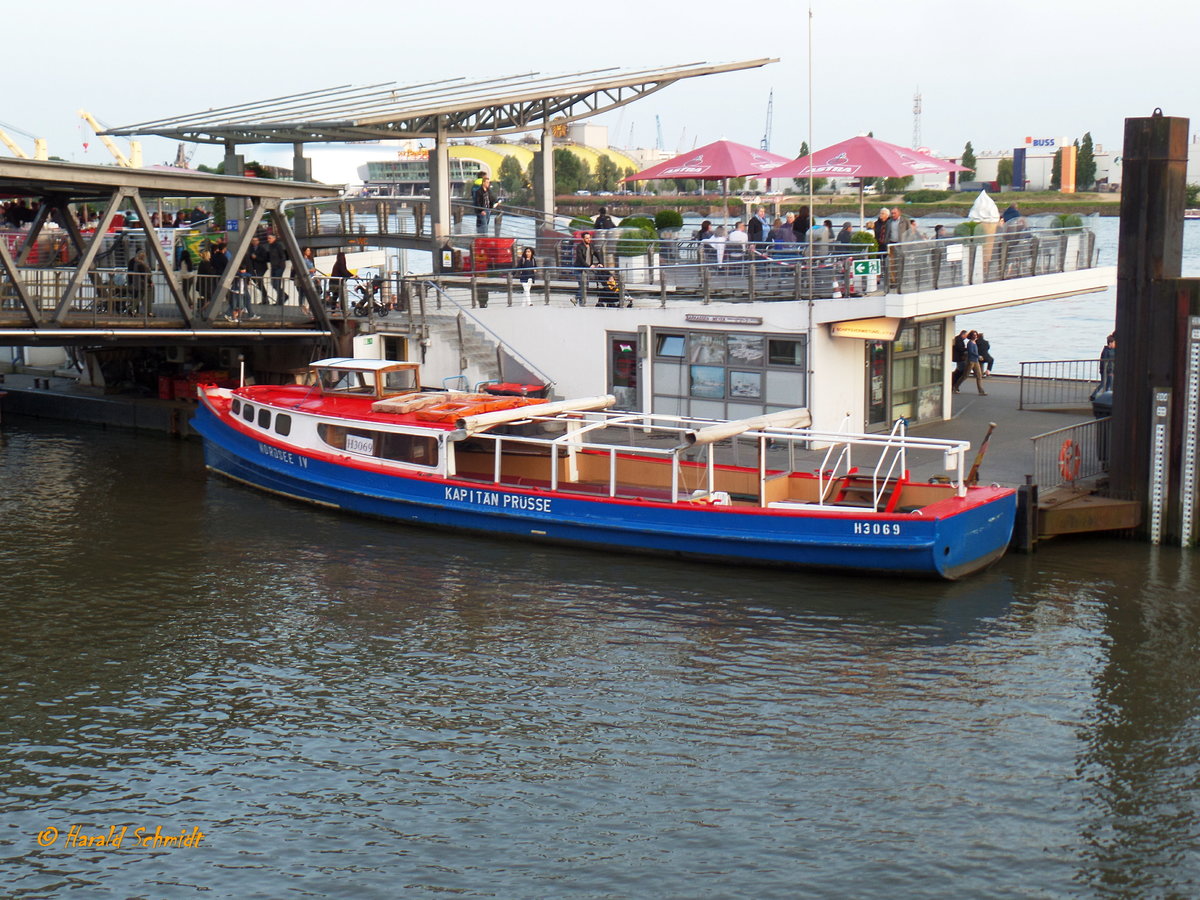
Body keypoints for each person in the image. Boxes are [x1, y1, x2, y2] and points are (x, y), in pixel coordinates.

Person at [573, 231, 601, 305]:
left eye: (589, 238)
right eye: (587, 238)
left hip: (586, 269)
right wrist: (589, 266)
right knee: (583, 285)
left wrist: (600, 262)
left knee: (585, 286)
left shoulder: (591, 246)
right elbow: (581, 259)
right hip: (579, 269)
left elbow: (597, 253)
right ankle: (578, 300)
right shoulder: (579, 247)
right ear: (583, 239)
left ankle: (578, 301)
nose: (589, 239)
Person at [1090, 333, 1117, 400]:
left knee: (1109, 384)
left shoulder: (1113, 350)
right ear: (1110, 343)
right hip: (1106, 370)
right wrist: (1107, 370)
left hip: (1110, 369)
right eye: (1114, 343)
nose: (1115, 344)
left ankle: (1105, 396)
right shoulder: (1106, 351)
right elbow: (1104, 362)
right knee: (1104, 383)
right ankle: (1094, 395)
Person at [267, 232, 288, 304]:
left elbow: (282, 256)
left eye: (270, 238)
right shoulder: (270, 246)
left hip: (279, 267)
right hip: (274, 267)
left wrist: (280, 265)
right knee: (274, 284)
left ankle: (281, 299)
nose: (268, 240)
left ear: (274, 238)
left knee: (276, 283)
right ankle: (282, 296)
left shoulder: (278, 246)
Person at [247, 235, 270, 302]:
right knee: (257, 282)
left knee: (259, 281)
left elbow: (264, 258)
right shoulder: (250, 248)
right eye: (253, 241)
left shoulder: (261, 248)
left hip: (261, 267)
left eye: (255, 241)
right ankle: (264, 297)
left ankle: (265, 297)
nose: (254, 242)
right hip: (253, 268)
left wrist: (256, 257)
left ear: (258, 241)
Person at [965, 330, 987, 395]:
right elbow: (971, 352)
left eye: (976, 335)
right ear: (971, 336)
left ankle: (981, 391)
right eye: (974, 335)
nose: (975, 336)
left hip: (976, 361)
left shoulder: (975, 342)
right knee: (965, 376)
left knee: (979, 375)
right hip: (971, 361)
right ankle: (956, 386)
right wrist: (978, 356)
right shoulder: (970, 343)